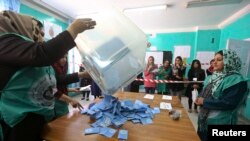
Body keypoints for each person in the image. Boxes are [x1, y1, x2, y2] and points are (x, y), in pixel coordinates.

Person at [0, 10, 96, 141]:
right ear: (21, 27)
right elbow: (42, 54)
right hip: (18, 121)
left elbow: (51, 82)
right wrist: (73, 30)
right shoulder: (5, 44)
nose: (41, 38)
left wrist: (78, 80)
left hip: (37, 117)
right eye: (38, 32)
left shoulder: (28, 57)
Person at [195, 50, 248, 141]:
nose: (214, 62)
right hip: (204, 121)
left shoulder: (236, 80)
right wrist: (199, 99)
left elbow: (229, 103)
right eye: (214, 59)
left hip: (221, 122)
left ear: (229, 61)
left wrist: (204, 101)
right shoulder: (212, 77)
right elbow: (204, 92)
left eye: (219, 60)